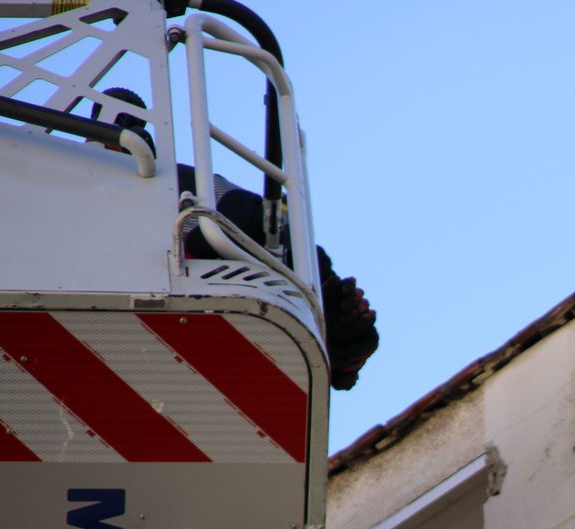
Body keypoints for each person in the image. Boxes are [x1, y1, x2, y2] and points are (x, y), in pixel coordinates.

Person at [92, 87, 378, 390]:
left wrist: (324, 293)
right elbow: (237, 218)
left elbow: (236, 217)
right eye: (128, 130)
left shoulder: (149, 184)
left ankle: (323, 316)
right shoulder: (98, 190)